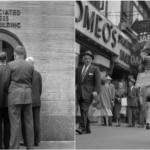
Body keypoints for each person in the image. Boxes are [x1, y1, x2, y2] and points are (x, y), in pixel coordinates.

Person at [7, 46, 34, 149]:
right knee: (29, 122)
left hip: (14, 95)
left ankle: (14, 148)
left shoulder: (10, 65)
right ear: (24, 54)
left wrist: (8, 92)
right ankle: (30, 147)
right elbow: (31, 81)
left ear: (15, 54)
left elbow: (6, 82)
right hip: (27, 94)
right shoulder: (30, 66)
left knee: (15, 123)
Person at [75, 50, 101, 134]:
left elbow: (97, 82)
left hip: (89, 93)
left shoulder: (95, 69)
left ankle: (81, 127)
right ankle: (88, 128)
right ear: (82, 59)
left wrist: (96, 91)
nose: (87, 60)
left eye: (89, 58)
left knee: (84, 109)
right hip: (79, 93)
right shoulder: (78, 69)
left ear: (92, 60)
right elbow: (75, 81)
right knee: (83, 111)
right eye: (85, 58)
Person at [22, 57, 42, 146]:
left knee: (26, 121)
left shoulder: (24, 74)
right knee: (36, 121)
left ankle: (27, 142)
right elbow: (40, 89)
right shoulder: (38, 74)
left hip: (27, 100)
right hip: (37, 100)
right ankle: (36, 141)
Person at [0, 52, 11, 149]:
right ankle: (7, 144)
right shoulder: (9, 69)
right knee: (7, 123)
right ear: (6, 58)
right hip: (8, 101)